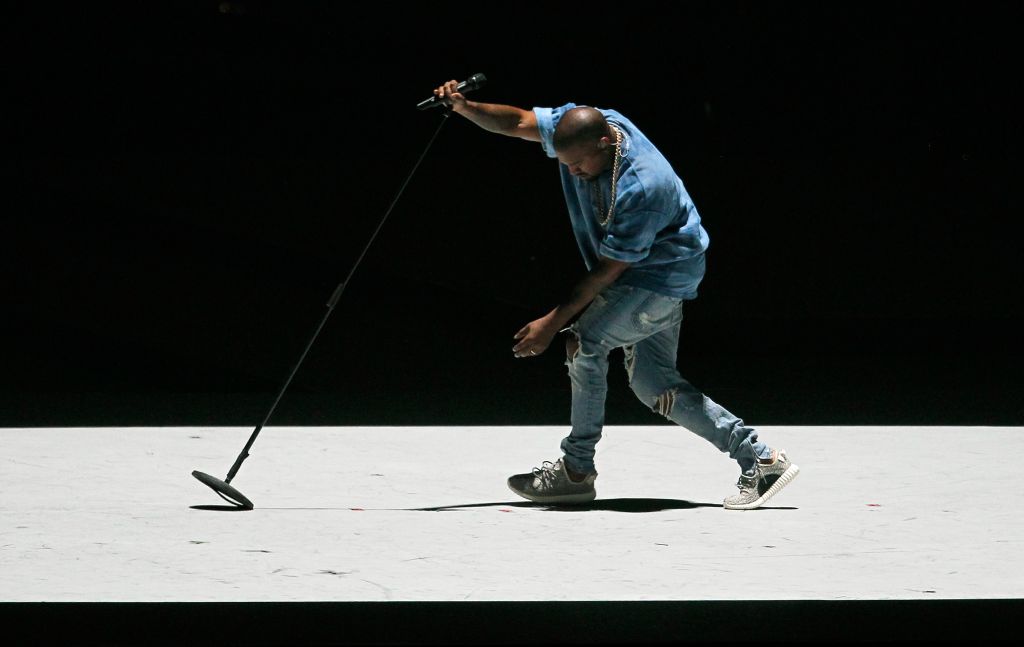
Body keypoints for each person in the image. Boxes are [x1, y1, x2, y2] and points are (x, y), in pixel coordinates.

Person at [431, 79, 799, 510]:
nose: (573, 173)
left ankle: (575, 471)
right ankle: (760, 459)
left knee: (582, 341)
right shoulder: (585, 128)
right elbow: (517, 121)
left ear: (605, 144)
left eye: (579, 165)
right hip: (642, 278)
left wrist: (552, 322)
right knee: (654, 386)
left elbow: (608, 272)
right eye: (564, 164)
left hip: (659, 279)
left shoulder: (643, 188)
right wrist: (464, 106)